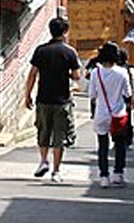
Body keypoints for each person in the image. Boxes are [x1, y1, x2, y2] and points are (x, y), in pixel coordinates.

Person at [24, 17, 82, 183]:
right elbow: (77, 76)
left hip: (43, 99)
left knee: (43, 131)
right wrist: (67, 73)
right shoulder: (70, 52)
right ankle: (56, 171)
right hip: (62, 100)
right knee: (59, 136)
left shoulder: (41, 51)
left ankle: (43, 161)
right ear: (65, 32)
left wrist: (27, 94)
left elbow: (32, 74)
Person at [88, 42, 131, 188]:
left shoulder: (95, 72)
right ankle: (118, 174)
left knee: (102, 145)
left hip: (101, 113)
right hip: (118, 113)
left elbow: (92, 94)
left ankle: (104, 176)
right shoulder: (122, 72)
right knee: (120, 145)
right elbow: (128, 93)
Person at [117, 47, 134, 147]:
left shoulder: (115, 69)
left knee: (117, 118)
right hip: (127, 97)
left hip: (116, 97)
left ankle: (117, 138)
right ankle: (127, 139)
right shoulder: (130, 68)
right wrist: (133, 97)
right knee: (128, 119)